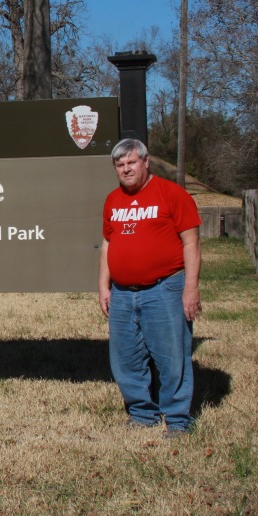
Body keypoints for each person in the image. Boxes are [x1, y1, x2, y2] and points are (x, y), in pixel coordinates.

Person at [98, 138, 202, 439]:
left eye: (131, 162)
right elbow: (108, 244)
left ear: (146, 161)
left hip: (164, 288)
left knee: (172, 355)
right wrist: (104, 286)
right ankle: (142, 414)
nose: (126, 169)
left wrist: (190, 289)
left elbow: (191, 243)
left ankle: (178, 419)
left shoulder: (172, 194)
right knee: (126, 357)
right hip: (122, 292)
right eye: (120, 165)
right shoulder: (113, 200)